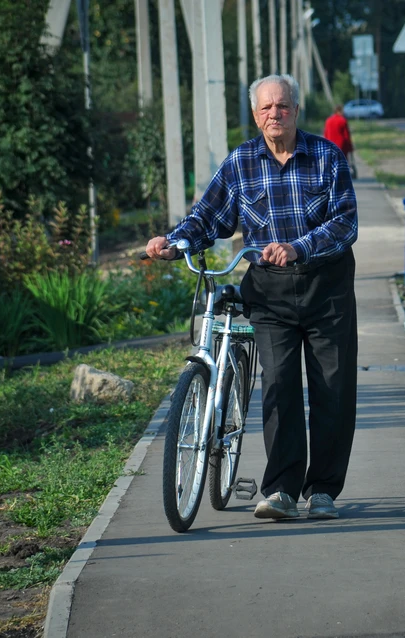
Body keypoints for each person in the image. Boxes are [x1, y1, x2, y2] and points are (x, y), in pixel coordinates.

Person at [144, 74, 358, 521]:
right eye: (265, 108)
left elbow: (344, 224)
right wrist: (176, 241)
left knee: (332, 391)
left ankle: (322, 491)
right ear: (256, 114)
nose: (274, 115)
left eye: (282, 107)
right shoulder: (241, 163)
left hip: (326, 288)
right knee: (278, 384)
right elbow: (209, 216)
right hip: (270, 292)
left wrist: (300, 246)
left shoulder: (326, 157)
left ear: (296, 111)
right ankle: (281, 490)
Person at [323, 103, 357, 178]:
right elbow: (346, 136)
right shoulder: (342, 120)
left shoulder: (328, 120)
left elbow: (325, 134)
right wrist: (350, 147)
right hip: (341, 146)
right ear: (339, 111)